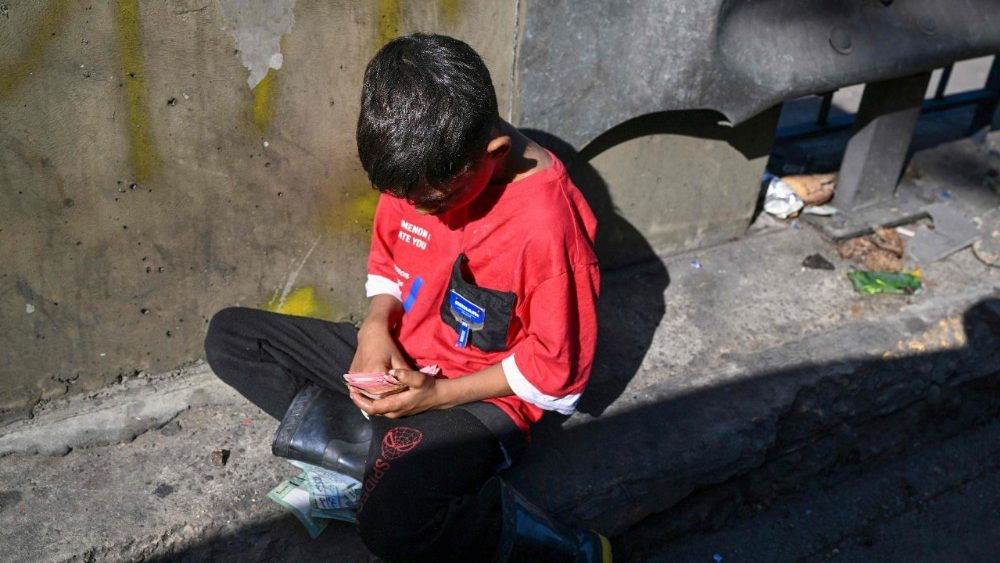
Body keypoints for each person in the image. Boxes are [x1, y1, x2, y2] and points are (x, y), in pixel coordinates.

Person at [204, 32, 609, 562]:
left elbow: (555, 371)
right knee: (232, 338)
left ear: (495, 154)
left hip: (481, 400)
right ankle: (388, 457)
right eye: (403, 199)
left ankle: (550, 543)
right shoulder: (422, 173)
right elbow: (390, 265)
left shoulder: (545, 224)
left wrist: (435, 398)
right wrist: (375, 328)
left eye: (434, 202)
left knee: (391, 527)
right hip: (406, 360)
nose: (417, 213)